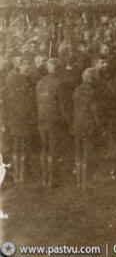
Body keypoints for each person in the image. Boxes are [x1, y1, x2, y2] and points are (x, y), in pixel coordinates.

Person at [36, 58, 65, 187]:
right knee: (53, 149)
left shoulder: (40, 83)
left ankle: (44, 178)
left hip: (42, 119)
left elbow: (37, 102)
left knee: (44, 148)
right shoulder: (59, 83)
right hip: (54, 119)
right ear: (58, 68)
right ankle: (52, 180)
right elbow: (62, 105)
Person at [72, 67, 101, 189]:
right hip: (88, 124)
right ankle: (85, 182)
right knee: (87, 152)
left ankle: (78, 182)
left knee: (78, 152)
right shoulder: (93, 92)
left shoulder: (76, 90)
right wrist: (99, 124)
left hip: (77, 123)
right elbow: (95, 110)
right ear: (93, 79)